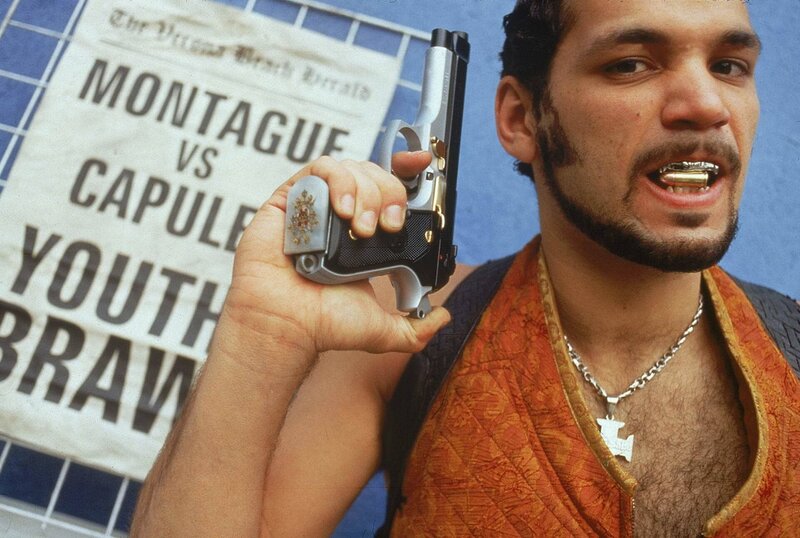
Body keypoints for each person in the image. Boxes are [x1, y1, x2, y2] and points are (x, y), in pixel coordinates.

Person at [130, 0, 800, 536]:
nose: (707, 104)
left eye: (729, 65)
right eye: (631, 64)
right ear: (521, 118)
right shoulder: (409, 333)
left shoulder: (788, 356)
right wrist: (260, 334)